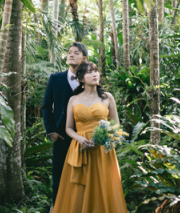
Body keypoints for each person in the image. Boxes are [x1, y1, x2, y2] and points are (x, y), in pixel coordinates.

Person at [52, 61, 128, 213]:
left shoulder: (107, 97)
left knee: (103, 186)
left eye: (95, 71)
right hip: (79, 148)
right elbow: (68, 128)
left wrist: (102, 138)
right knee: (78, 190)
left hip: (102, 150)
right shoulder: (73, 100)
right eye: (89, 72)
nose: (94, 74)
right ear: (80, 79)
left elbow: (116, 125)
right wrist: (80, 139)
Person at [42, 42, 88, 206]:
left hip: (83, 137)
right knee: (59, 176)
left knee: (82, 175)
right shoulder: (55, 78)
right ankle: (57, 207)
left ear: (84, 58)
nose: (71, 55)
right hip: (61, 135)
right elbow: (46, 106)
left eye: (76, 53)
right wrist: (51, 131)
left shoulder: (88, 81)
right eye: (69, 52)